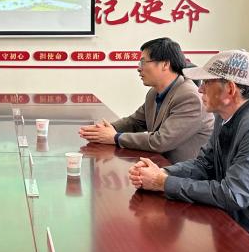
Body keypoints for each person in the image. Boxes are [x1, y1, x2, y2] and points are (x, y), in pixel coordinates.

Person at [128, 49, 249, 252]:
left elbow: (233, 194)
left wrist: (163, 183)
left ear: (230, 89)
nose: (200, 89)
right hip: (246, 218)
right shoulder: (226, 115)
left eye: (206, 83)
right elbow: (205, 165)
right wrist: (162, 173)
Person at [79, 37, 212, 163]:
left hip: (183, 173)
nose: (138, 68)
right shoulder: (154, 92)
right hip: (158, 165)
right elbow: (135, 121)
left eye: (143, 62)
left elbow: (161, 141)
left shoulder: (189, 97)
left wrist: (115, 137)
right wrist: (105, 130)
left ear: (165, 64)